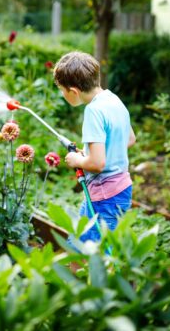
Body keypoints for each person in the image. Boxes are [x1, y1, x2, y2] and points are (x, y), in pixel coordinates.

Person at [53, 51, 136, 245]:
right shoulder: (113, 99)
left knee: (94, 252)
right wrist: (90, 154)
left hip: (105, 196)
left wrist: (79, 160)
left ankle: (91, 276)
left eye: (62, 90)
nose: (62, 95)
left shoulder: (93, 111)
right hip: (118, 190)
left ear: (73, 91)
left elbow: (97, 164)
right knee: (78, 243)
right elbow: (130, 138)